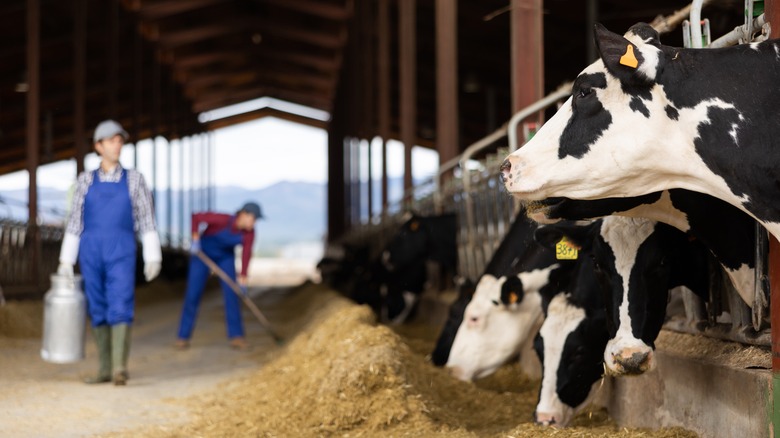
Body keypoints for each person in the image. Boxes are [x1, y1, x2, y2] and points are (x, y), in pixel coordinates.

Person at [57, 119, 162, 386]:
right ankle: (104, 367)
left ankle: (119, 368)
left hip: (121, 249)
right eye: (111, 141)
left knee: (121, 301)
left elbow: (146, 219)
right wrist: (66, 260)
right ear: (98, 146)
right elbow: (75, 222)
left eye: (119, 140)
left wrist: (153, 254)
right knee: (97, 304)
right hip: (90, 249)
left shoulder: (135, 180)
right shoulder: (84, 181)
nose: (117, 145)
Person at [175, 202, 262, 350]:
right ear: (244, 214)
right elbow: (196, 217)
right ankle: (183, 337)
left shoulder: (250, 233)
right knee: (193, 294)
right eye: (253, 219)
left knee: (232, 294)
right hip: (202, 254)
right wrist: (195, 239)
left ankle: (236, 337)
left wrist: (243, 280)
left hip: (225, 257)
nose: (254, 223)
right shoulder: (223, 219)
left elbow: (246, 254)